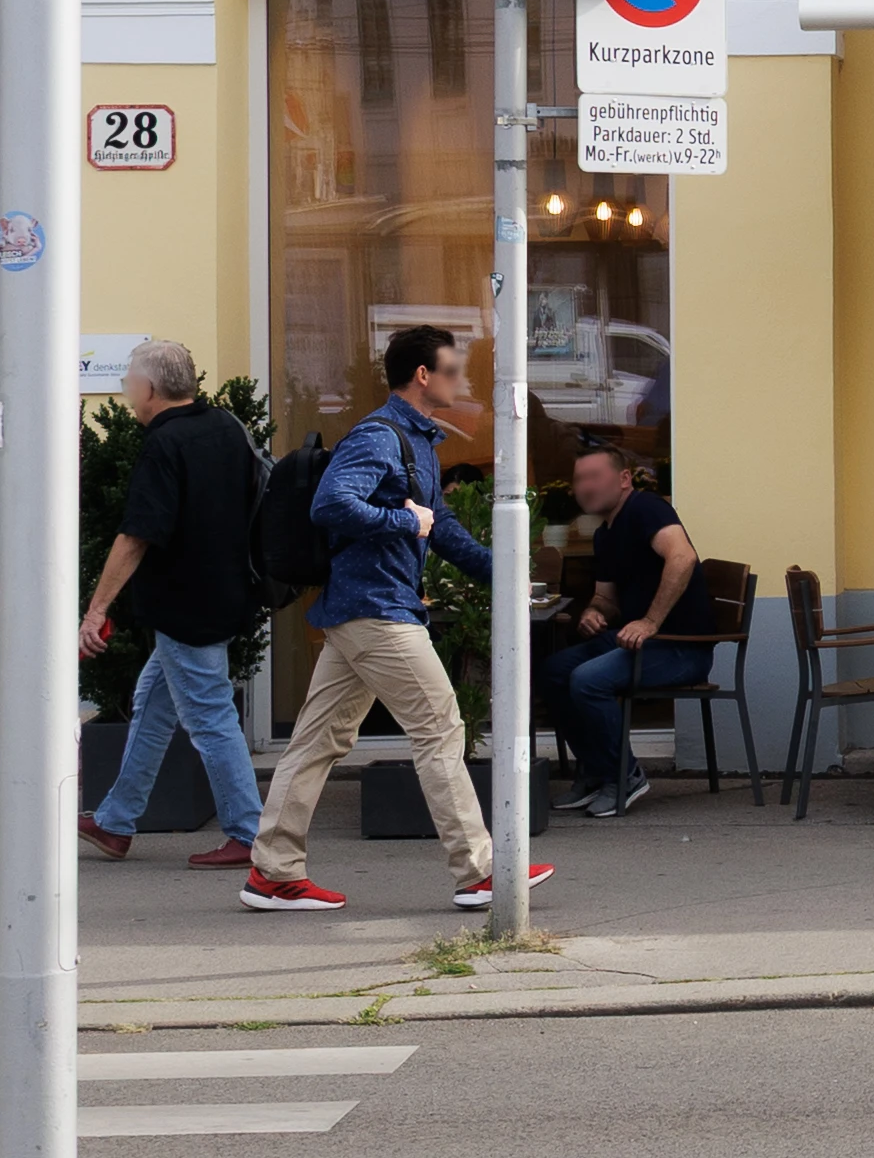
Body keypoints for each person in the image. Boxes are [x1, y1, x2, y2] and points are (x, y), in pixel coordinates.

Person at [241, 327, 551, 914]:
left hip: (363, 611)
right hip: (377, 611)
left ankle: (273, 873)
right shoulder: (379, 437)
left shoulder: (418, 443)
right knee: (439, 727)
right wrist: (406, 524)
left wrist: (504, 573)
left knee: (315, 741)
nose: (463, 381)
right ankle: (481, 871)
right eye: (454, 370)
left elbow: (443, 528)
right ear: (423, 377)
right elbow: (332, 504)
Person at [75, 338, 267, 869]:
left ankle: (250, 834)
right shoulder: (226, 427)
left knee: (210, 718)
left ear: (149, 388)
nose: (125, 392)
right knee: (153, 701)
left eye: (127, 383)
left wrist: (96, 611)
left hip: (187, 607)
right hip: (225, 595)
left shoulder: (165, 444)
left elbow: (136, 535)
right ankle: (115, 822)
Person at [550, 437, 707, 817]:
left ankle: (625, 776)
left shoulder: (646, 509)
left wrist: (650, 621)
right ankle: (596, 771)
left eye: (594, 477)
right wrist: (593, 611)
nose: (584, 487)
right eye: (578, 479)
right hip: (637, 644)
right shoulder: (605, 533)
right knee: (552, 672)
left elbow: (682, 557)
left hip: (680, 648)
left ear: (623, 478)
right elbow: (607, 597)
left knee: (587, 680)